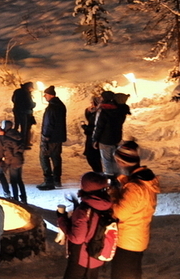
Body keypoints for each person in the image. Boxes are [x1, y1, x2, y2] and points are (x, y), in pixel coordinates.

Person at [110, 141, 159, 279]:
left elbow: (119, 212)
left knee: (123, 275)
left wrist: (113, 195)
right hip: (137, 237)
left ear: (123, 162)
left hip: (128, 241)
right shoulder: (144, 182)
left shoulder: (135, 188)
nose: (116, 165)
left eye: (117, 161)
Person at [57, 172, 113, 279]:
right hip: (97, 255)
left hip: (82, 258)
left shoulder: (83, 211)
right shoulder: (107, 204)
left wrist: (62, 219)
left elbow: (77, 238)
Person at [93, 90, 130, 176]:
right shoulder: (120, 110)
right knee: (115, 160)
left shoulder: (103, 110)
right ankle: (118, 178)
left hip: (104, 139)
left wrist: (95, 139)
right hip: (116, 138)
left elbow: (99, 127)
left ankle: (110, 179)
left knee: (106, 161)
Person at [37, 86, 67, 190]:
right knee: (56, 157)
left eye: (45, 95)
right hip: (58, 137)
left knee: (43, 157)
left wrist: (45, 136)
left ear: (50, 95)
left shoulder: (51, 108)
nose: (44, 97)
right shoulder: (61, 106)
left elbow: (48, 123)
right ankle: (57, 179)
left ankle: (48, 181)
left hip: (50, 138)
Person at [0, 121, 26, 203]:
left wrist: (6, 165)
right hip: (19, 159)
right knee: (19, 180)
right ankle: (24, 197)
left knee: (13, 181)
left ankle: (16, 198)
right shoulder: (17, 134)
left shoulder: (6, 138)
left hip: (13, 162)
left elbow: (8, 153)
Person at [82, 96, 104, 173]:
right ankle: (98, 174)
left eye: (92, 103)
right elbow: (90, 121)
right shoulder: (94, 112)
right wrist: (88, 112)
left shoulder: (100, 113)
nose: (91, 105)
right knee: (93, 158)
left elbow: (96, 126)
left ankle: (99, 175)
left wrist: (85, 128)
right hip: (91, 137)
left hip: (94, 138)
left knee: (92, 158)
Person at [11, 82, 36, 147]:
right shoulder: (26, 93)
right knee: (24, 128)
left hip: (17, 111)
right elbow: (29, 104)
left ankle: (14, 141)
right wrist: (34, 104)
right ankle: (23, 143)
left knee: (16, 126)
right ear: (28, 87)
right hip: (25, 112)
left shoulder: (17, 91)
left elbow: (13, 99)